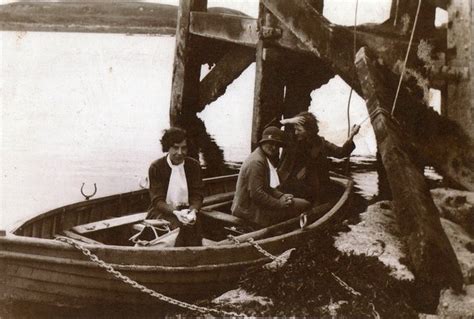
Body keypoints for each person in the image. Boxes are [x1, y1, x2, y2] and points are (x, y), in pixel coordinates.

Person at [231, 126, 311, 227]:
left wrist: (281, 195)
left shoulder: (261, 157)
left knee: (302, 204)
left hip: (250, 206)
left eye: (277, 145)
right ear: (263, 142)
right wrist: (280, 204)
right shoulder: (257, 162)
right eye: (270, 143)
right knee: (304, 205)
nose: (274, 147)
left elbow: (265, 187)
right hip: (248, 211)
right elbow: (257, 195)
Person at [276, 111, 360, 204]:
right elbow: (269, 131)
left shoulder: (321, 143)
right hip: (293, 184)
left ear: (309, 131)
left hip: (315, 187)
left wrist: (351, 136)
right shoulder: (292, 141)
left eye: (299, 130)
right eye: (295, 129)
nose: (296, 133)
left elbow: (341, 152)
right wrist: (287, 121)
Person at [147, 127, 204, 246]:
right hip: (162, 211)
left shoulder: (193, 166)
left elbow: (197, 195)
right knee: (178, 227)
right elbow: (157, 201)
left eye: (184, 148)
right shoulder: (156, 167)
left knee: (195, 225)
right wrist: (176, 213)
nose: (179, 152)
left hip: (187, 210)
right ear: (167, 147)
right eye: (175, 147)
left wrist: (193, 211)